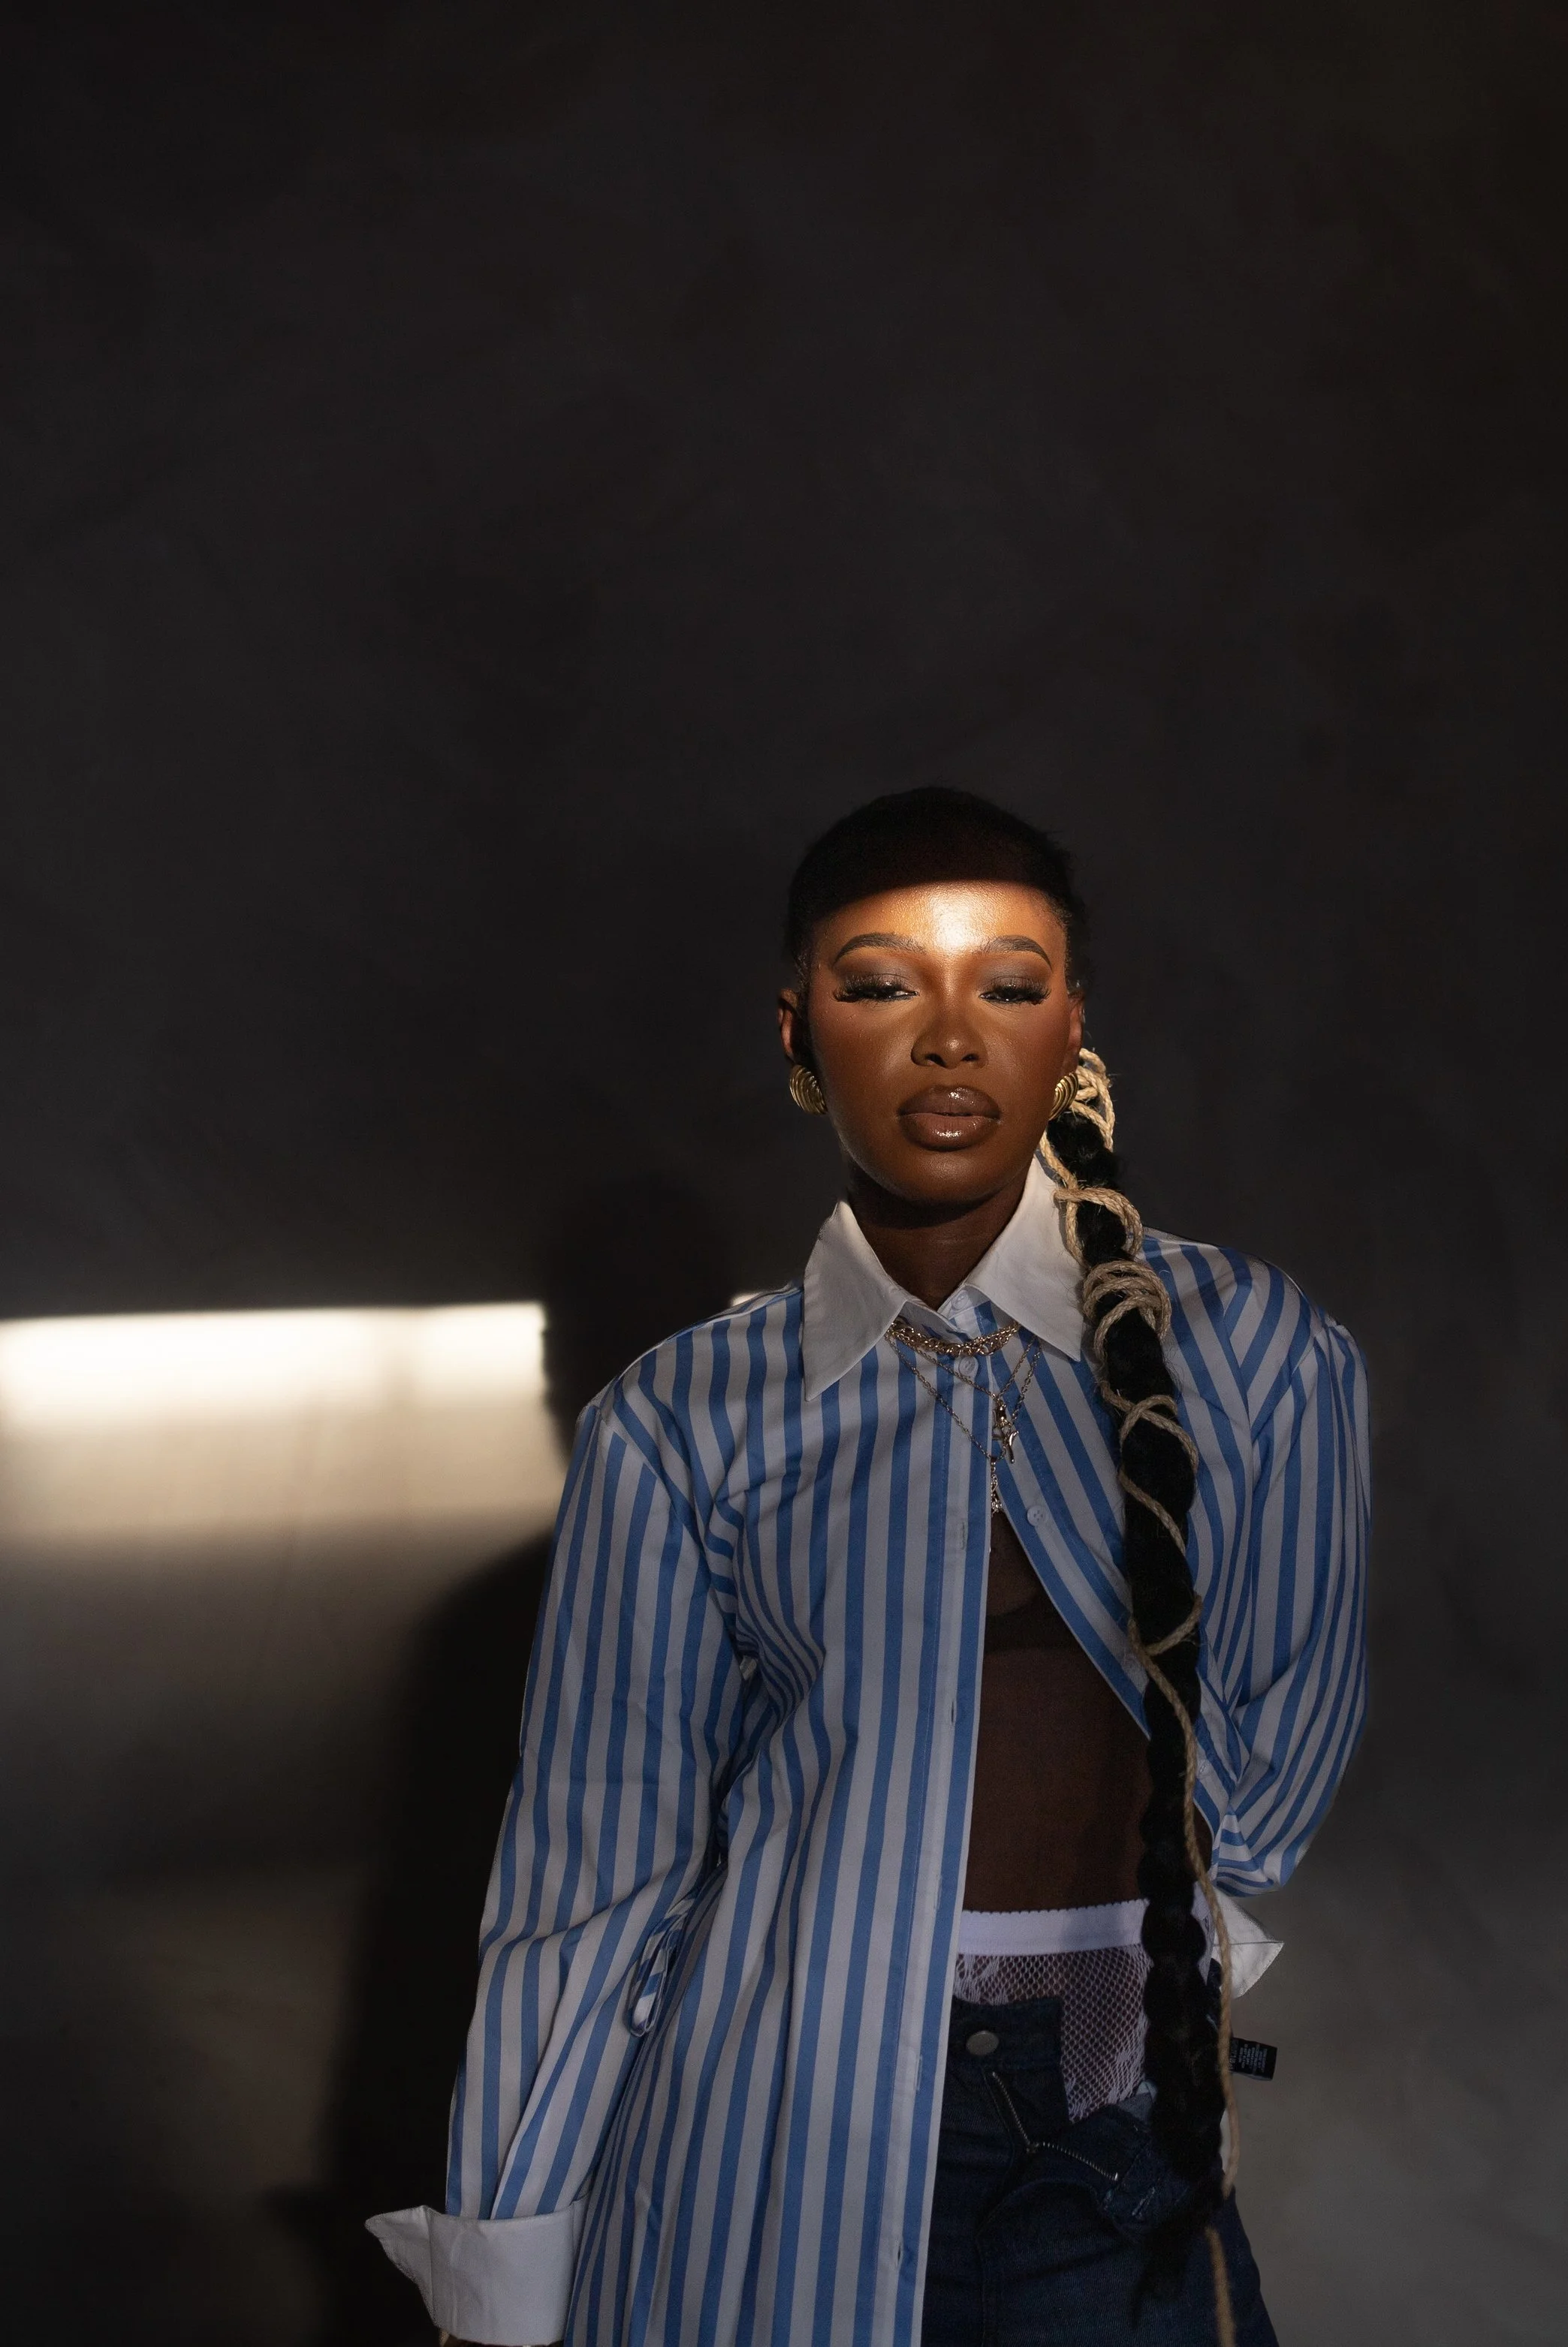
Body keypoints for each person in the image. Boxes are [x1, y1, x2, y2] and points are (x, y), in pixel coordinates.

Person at [369, 789, 1370, 2347]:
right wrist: (500, 2283)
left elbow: (1261, 1795)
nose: (950, 1037)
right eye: (882, 983)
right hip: (754, 2145)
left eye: (1009, 985)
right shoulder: (680, 1418)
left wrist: (1131, 2017)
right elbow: (595, 1873)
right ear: (799, 1034)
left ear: (1072, 1027)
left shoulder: (1255, 1355)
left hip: (1116, 2136)